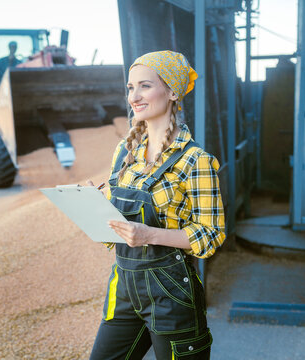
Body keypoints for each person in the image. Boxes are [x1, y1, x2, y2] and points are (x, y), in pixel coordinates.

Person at [88, 50, 226, 359]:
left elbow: (211, 234)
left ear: (173, 92)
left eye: (145, 86)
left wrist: (150, 235)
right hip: (124, 288)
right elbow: (118, 228)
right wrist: (97, 208)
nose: (133, 96)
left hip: (171, 293)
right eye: (130, 88)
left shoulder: (195, 161)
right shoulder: (124, 153)